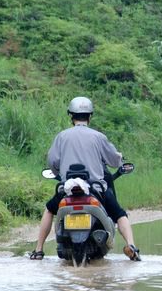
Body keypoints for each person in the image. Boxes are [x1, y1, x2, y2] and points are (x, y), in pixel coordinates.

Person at [29, 96, 141, 261]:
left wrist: (59, 172)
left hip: (67, 189)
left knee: (49, 210)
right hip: (95, 189)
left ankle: (38, 250)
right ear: (90, 116)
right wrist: (120, 157)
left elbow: (52, 162)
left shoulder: (61, 136)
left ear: (71, 116)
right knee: (119, 214)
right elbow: (114, 161)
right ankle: (131, 246)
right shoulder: (98, 137)